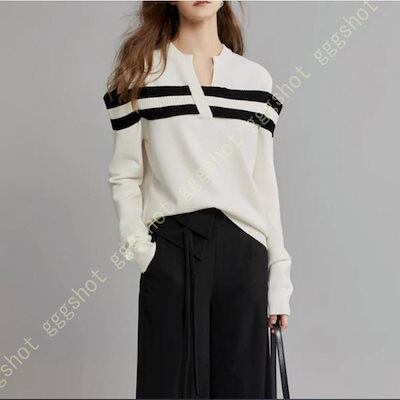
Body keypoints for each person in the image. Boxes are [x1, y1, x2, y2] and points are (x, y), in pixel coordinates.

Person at [102, 1, 293, 398]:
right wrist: (144, 253)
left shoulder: (255, 80)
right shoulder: (142, 73)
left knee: (242, 388)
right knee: (168, 386)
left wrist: (279, 277)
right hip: (172, 252)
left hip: (243, 254)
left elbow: (264, 183)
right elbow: (125, 174)